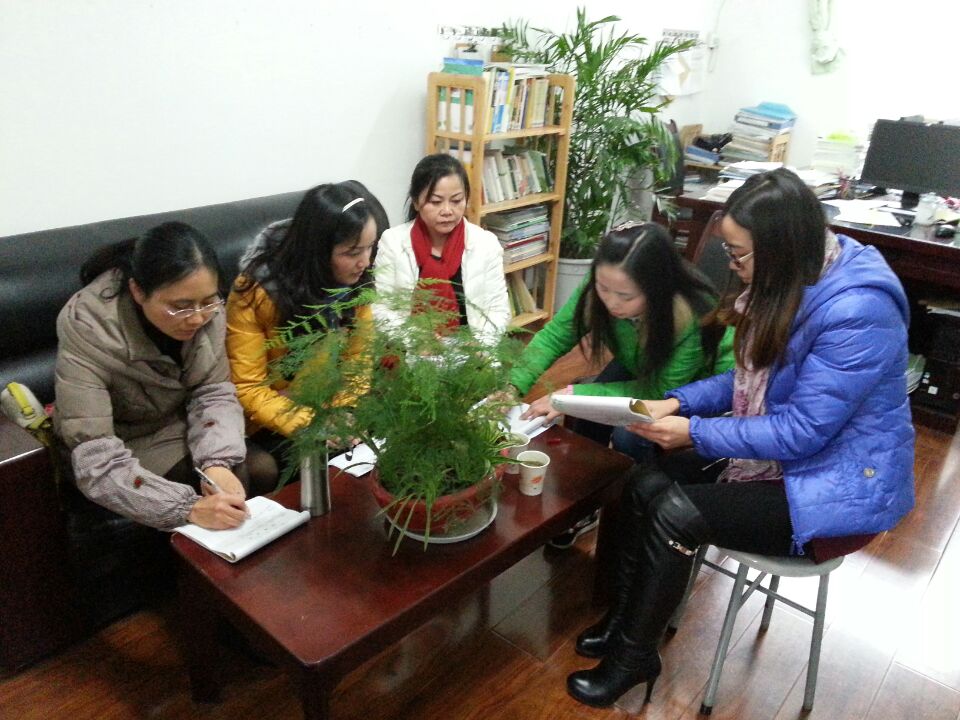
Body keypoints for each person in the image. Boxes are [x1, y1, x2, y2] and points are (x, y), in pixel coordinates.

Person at [566, 168, 916, 708]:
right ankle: (623, 622)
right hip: (788, 462)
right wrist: (677, 403)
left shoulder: (858, 311)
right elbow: (746, 378)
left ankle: (635, 656)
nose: (730, 265)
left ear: (778, 247)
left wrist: (694, 431)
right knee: (643, 483)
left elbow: (803, 431)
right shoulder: (795, 281)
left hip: (836, 487)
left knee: (675, 512)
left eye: (737, 253)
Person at [511, 222, 734, 548]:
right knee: (586, 415)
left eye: (625, 296)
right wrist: (511, 385)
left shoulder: (692, 314)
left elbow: (657, 393)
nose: (611, 303)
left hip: (698, 391)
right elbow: (556, 335)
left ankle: (634, 509)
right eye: (603, 289)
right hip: (641, 365)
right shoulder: (605, 281)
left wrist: (569, 395)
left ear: (656, 289)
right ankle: (586, 503)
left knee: (631, 434)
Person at [55, 221, 272, 531]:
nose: (197, 318)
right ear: (137, 291)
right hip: (122, 439)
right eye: (180, 307)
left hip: (175, 420)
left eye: (208, 301)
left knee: (259, 469)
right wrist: (188, 508)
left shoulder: (209, 310)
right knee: (223, 490)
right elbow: (96, 456)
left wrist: (216, 462)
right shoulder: (88, 327)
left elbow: (213, 391)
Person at [226, 181, 389, 471]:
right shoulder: (257, 291)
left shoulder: (356, 282)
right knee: (302, 461)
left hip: (331, 402)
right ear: (317, 251)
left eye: (370, 248)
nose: (365, 262)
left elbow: (358, 359)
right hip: (275, 415)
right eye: (352, 252)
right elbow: (248, 388)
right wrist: (313, 422)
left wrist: (344, 409)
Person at [375, 153, 510, 342]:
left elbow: (498, 311)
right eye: (436, 202)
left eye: (456, 200)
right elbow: (381, 309)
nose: (447, 211)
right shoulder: (393, 243)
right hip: (411, 350)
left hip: (471, 352)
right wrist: (415, 340)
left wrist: (480, 344)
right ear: (416, 202)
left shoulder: (485, 244)